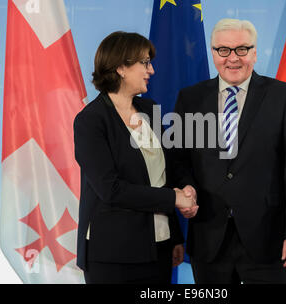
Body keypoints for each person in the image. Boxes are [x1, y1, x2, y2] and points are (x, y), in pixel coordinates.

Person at [172, 18, 286, 284]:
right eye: (223, 50)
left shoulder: (282, 96)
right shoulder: (190, 98)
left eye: (241, 49)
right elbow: (179, 161)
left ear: (255, 53)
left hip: (269, 241)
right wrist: (187, 186)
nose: (232, 58)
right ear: (213, 53)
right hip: (209, 239)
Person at [73, 31, 196, 284]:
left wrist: (174, 234)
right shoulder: (90, 121)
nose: (151, 70)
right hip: (113, 256)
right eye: (145, 63)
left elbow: (165, 171)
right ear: (120, 68)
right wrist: (174, 197)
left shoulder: (148, 108)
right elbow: (111, 189)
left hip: (159, 248)